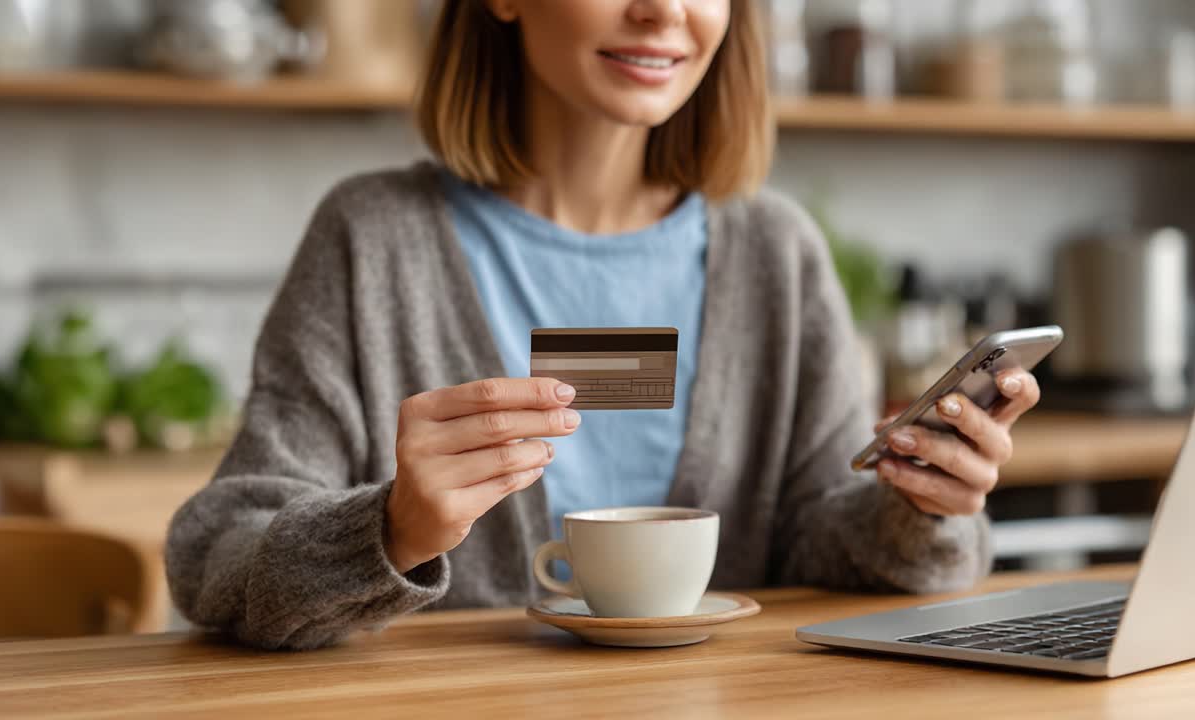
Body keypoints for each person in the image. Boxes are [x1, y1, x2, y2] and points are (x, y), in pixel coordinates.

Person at [166, 0, 1041, 651]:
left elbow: (819, 543)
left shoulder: (776, 253)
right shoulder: (372, 239)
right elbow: (216, 560)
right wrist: (389, 528)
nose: (662, 12)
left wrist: (921, 506)